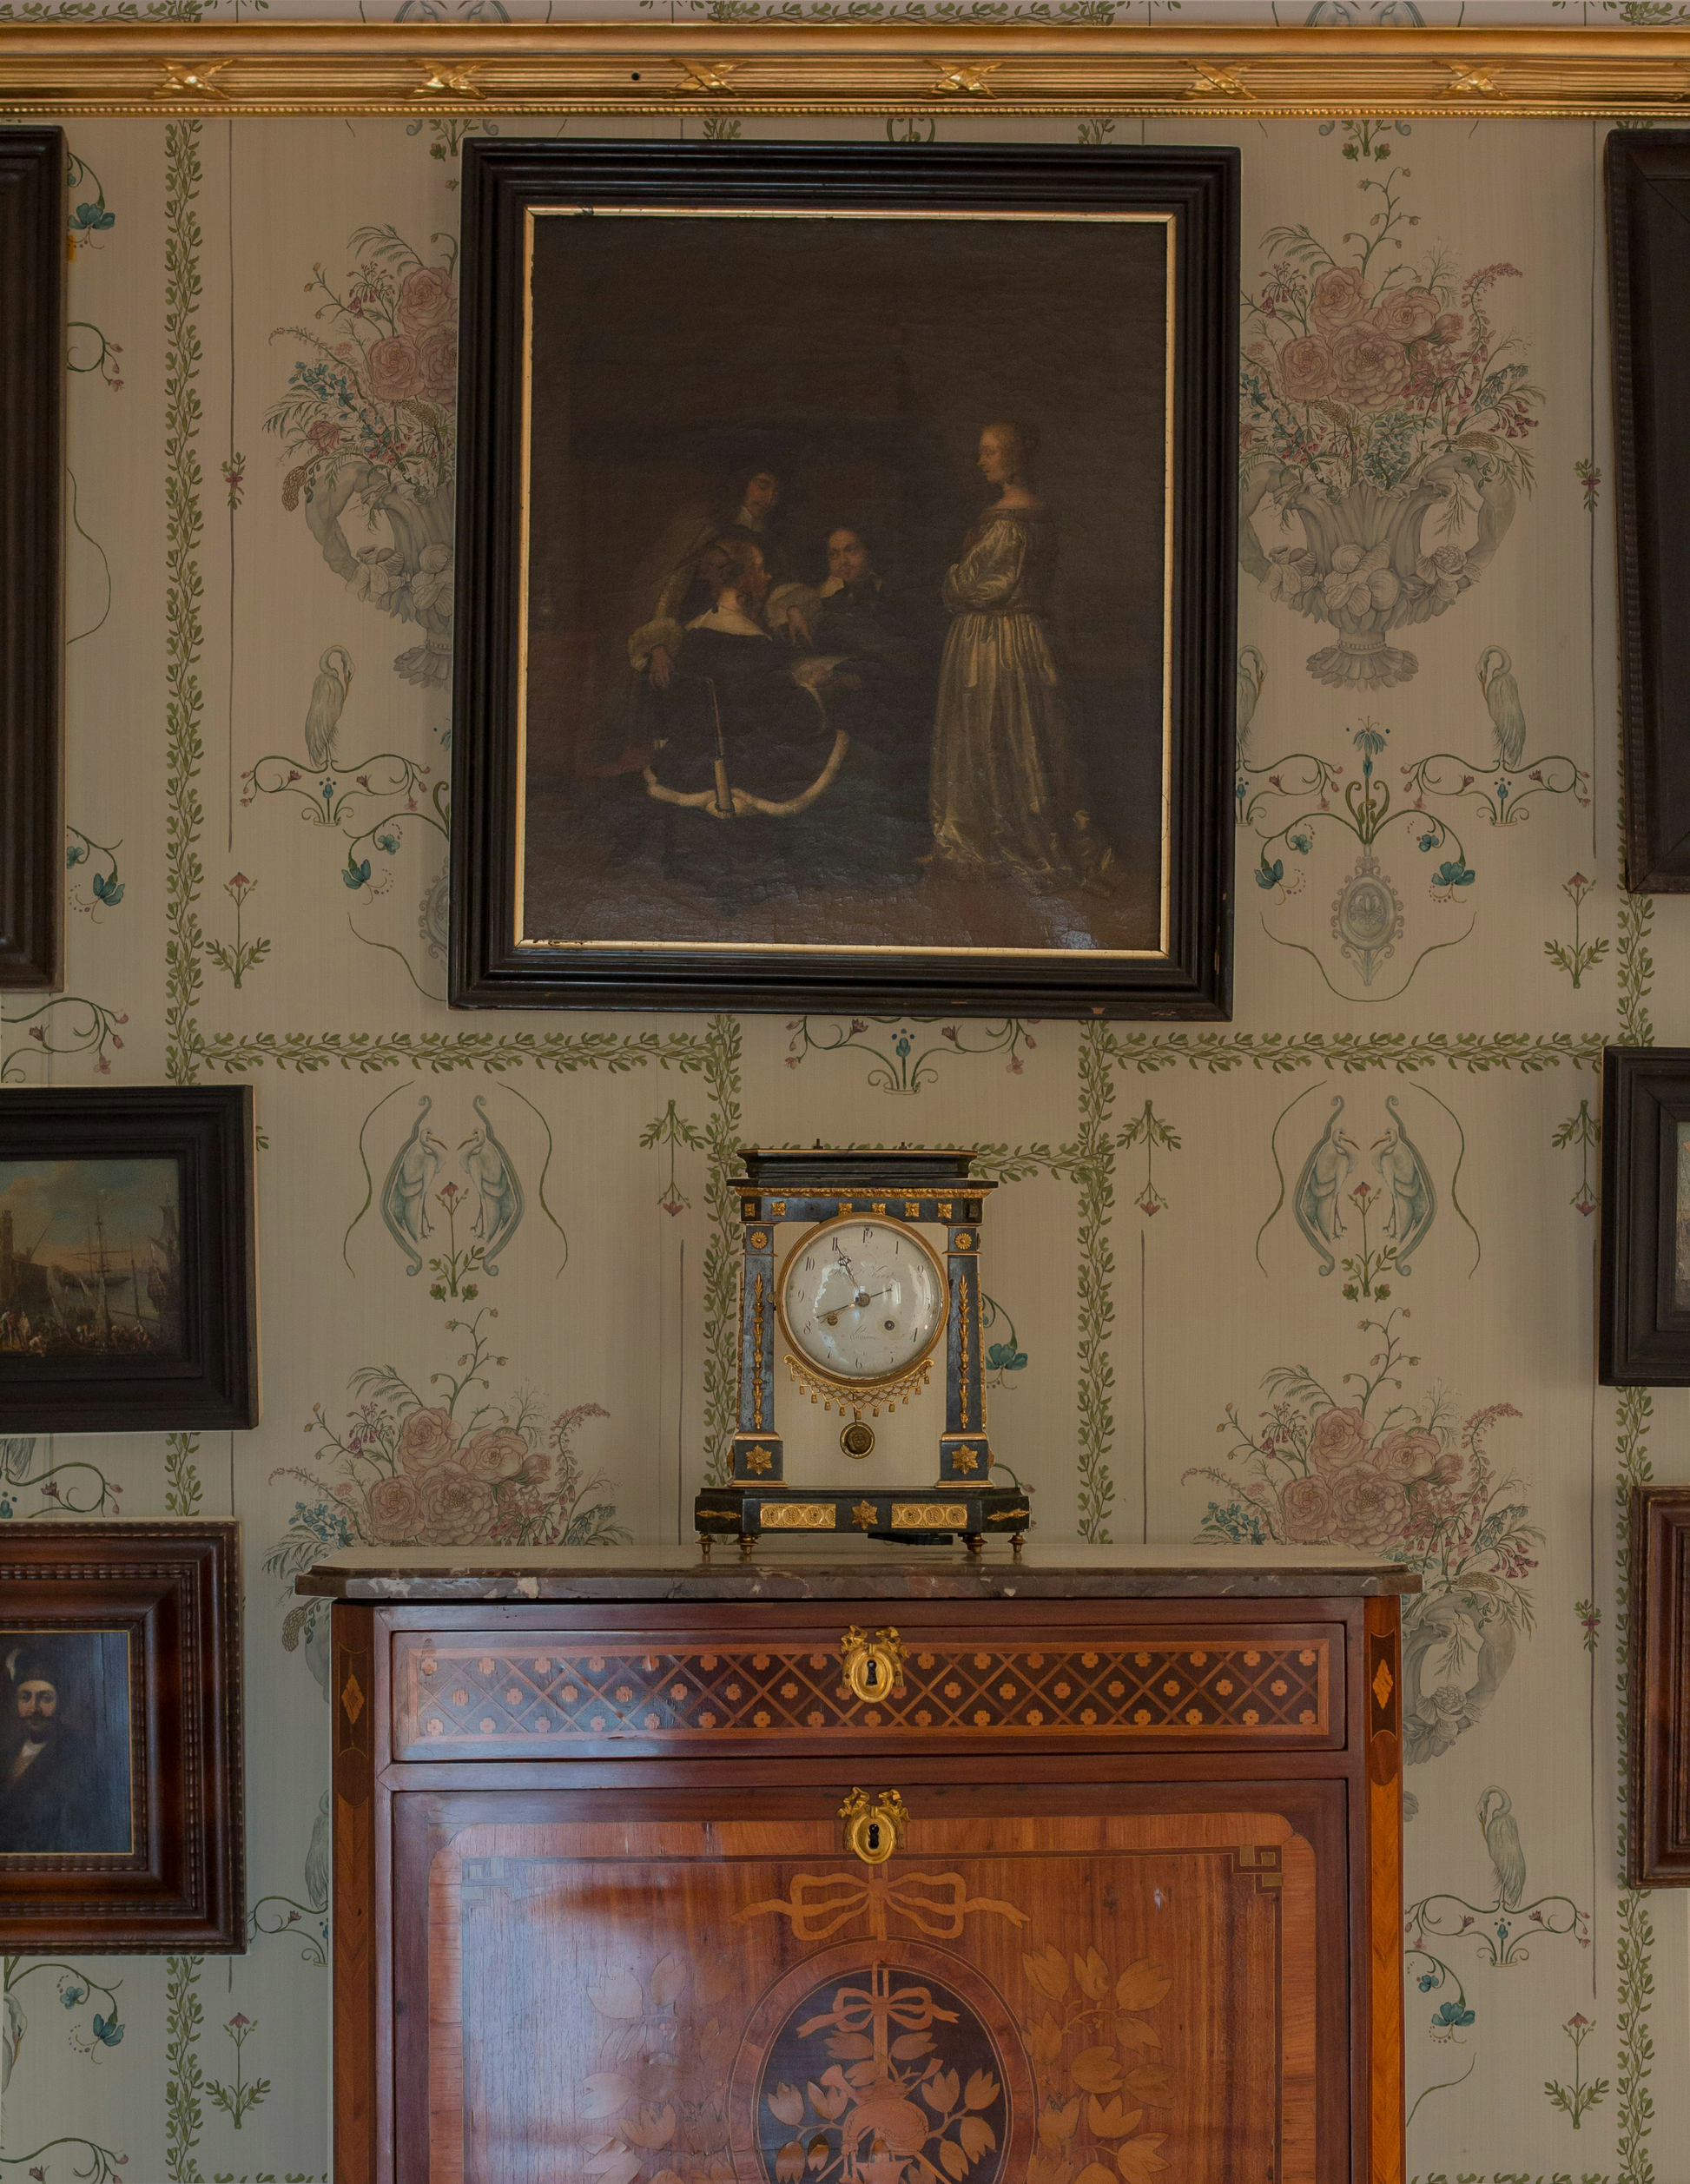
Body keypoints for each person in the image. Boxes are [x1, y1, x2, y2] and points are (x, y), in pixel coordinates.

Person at [929, 419, 1110, 884]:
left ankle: (995, 838)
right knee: (1021, 733)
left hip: (992, 641)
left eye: (990, 452)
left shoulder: (1006, 521)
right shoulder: (1039, 515)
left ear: (1013, 458)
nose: (981, 460)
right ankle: (1002, 833)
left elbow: (969, 587)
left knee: (998, 731)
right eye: (981, 451)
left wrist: (952, 575)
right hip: (1027, 638)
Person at [0, 1640, 130, 1856]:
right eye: (25, 1697)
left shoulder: (79, 1760)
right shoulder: (7, 1755)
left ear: (60, 1702)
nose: (34, 1708)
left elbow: (74, 1840)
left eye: (46, 1698)